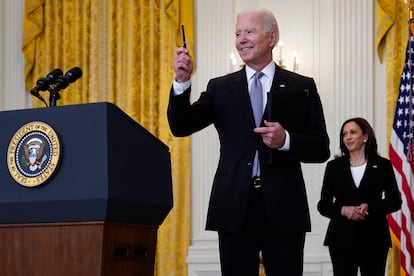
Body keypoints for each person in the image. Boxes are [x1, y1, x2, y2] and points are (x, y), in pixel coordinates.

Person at [168, 8, 330, 276]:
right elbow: (181, 125)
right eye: (237, 33)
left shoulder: (301, 85)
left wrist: (286, 140)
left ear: (272, 37)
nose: (241, 39)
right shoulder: (220, 88)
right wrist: (182, 83)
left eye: (249, 32)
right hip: (233, 206)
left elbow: (320, 148)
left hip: (284, 207)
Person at [317, 117, 402, 276]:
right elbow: (323, 204)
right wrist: (343, 210)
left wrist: (371, 207)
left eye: (353, 132)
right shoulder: (334, 167)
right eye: (344, 134)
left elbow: (395, 201)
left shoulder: (383, 165)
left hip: (374, 238)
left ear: (365, 136)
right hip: (341, 239)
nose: (348, 137)